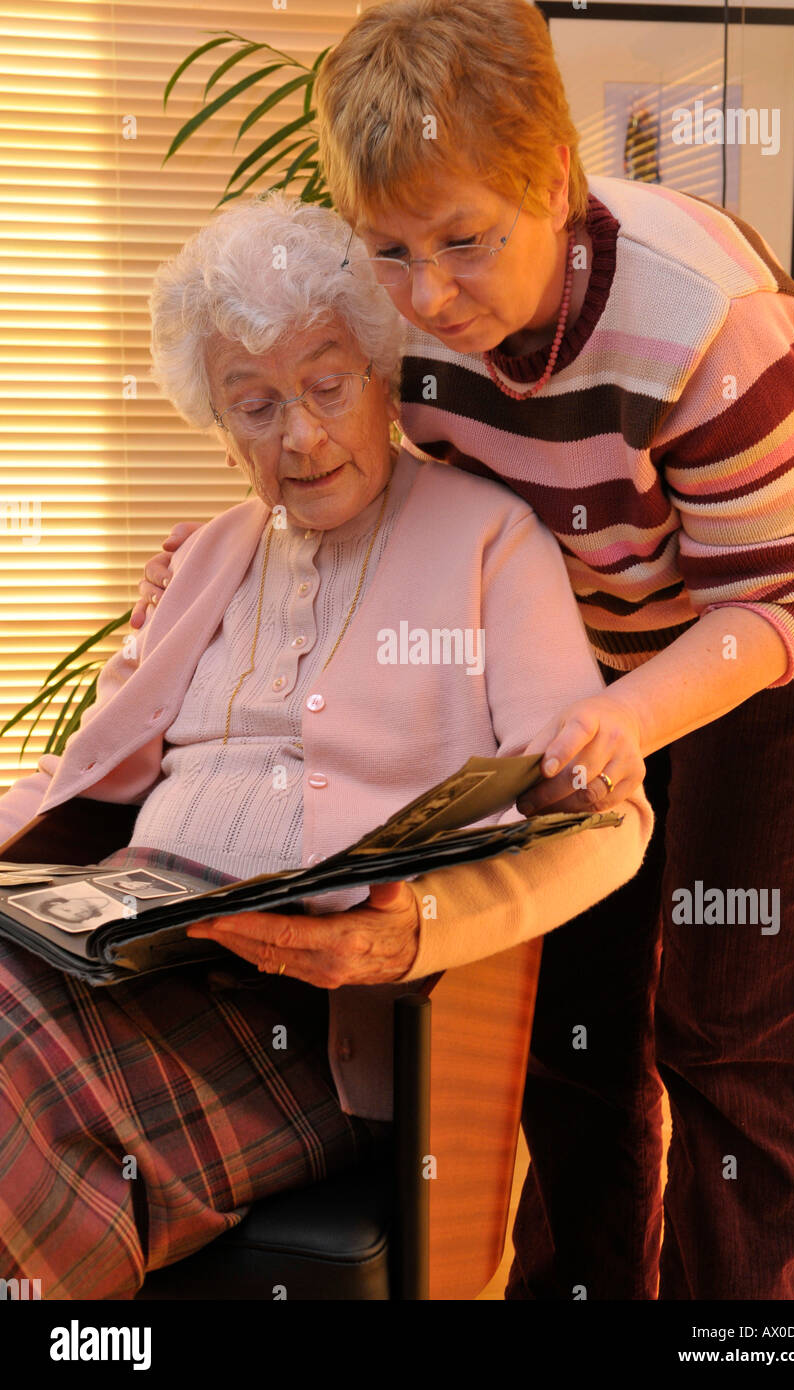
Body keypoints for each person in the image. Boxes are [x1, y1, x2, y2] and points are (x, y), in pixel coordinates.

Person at [137, 0, 794, 1301]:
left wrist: (628, 719)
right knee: (577, 1009)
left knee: (723, 1025)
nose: (426, 298)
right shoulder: (400, 312)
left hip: (786, 637)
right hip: (586, 628)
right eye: (390, 250)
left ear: (554, 181)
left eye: (465, 243)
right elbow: (362, 468)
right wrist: (228, 549)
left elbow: (772, 605)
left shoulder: (707, 318)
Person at [0, 192, 652, 1299]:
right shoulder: (207, 554)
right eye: (255, 405)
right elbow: (84, 779)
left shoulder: (488, 541)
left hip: (318, 1021)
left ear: (383, 374)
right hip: (126, 963)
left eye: (325, 385)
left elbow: (606, 823)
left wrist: (414, 934)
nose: (298, 436)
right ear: (217, 420)